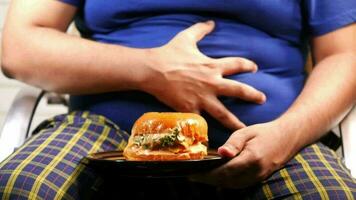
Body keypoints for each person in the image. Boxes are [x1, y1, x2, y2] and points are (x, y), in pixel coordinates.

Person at [0, 0, 355, 199]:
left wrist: (287, 136)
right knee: (20, 188)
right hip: (104, 132)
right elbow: (20, 47)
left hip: (272, 137)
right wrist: (151, 70)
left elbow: (345, 55)